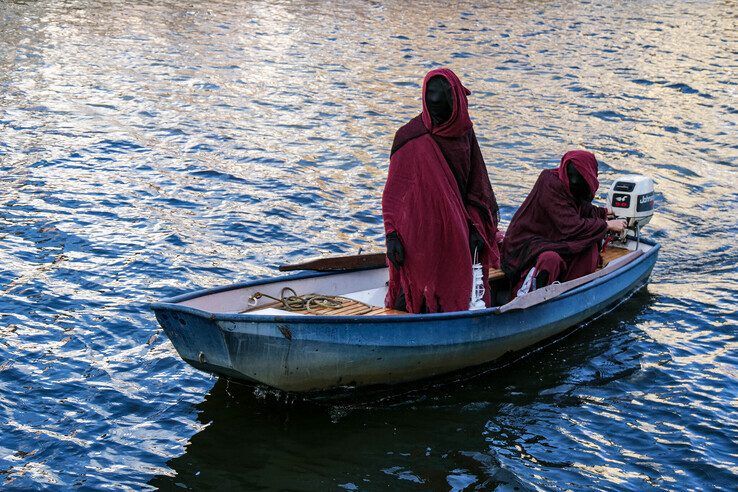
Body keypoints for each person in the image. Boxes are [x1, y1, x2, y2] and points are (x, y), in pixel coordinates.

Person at [382, 68, 500, 313]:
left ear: (455, 99)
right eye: (430, 97)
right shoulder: (409, 137)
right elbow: (393, 194)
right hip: (417, 229)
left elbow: (477, 185)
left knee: (454, 283)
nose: (435, 102)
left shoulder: (464, 133)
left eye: (442, 97)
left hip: (457, 228)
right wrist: (392, 234)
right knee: (414, 287)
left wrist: (476, 225)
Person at [500, 150, 627, 297]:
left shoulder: (568, 187)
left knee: (588, 248)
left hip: (551, 239)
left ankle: (568, 291)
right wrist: (607, 225)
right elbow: (571, 226)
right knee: (550, 259)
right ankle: (526, 293)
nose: (573, 180)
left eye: (577, 177)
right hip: (527, 242)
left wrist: (603, 213)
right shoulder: (549, 182)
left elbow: (575, 208)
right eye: (571, 175)